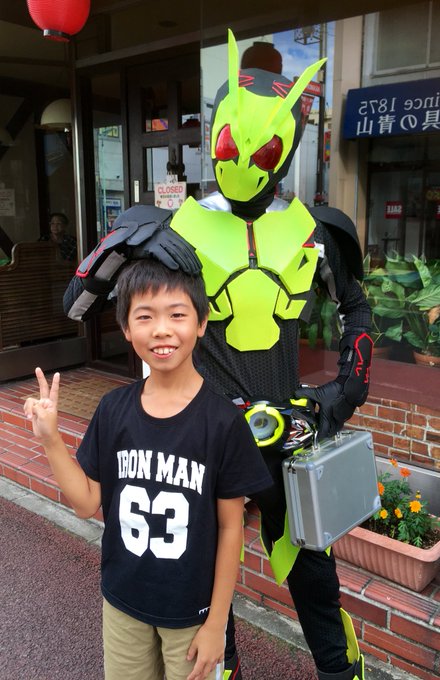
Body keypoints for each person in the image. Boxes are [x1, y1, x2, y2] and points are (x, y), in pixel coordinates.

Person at [63, 30, 372, 680]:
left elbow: (357, 311)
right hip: (202, 434)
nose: (241, 158)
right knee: (205, 588)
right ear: (215, 134)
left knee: (315, 583)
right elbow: (81, 303)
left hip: (287, 434)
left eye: (259, 148)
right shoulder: (176, 227)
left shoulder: (313, 231)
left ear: (286, 147)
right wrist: (135, 244)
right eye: (230, 143)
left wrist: (339, 398)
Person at [24, 259, 273, 680]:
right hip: (122, 603)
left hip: (192, 614)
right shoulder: (113, 410)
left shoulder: (223, 422)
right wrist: (51, 439)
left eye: (176, 314)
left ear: (201, 322)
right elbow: (86, 503)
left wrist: (216, 624)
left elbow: (232, 527)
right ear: (125, 328)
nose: (161, 330)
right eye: (144, 317)